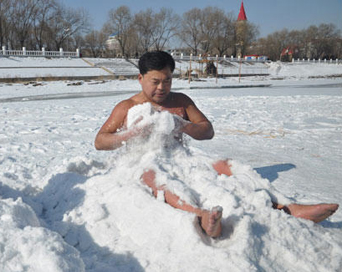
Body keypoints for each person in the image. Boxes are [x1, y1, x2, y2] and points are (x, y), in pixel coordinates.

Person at [95, 50, 338, 238]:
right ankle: (201, 216)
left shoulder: (180, 101)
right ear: (140, 79)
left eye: (167, 80)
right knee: (154, 178)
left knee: (228, 165)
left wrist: (182, 124)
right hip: (143, 161)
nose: (162, 87)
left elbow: (207, 130)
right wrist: (132, 133)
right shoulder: (126, 106)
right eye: (155, 81)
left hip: (180, 158)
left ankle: (289, 207)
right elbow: (100, 141)